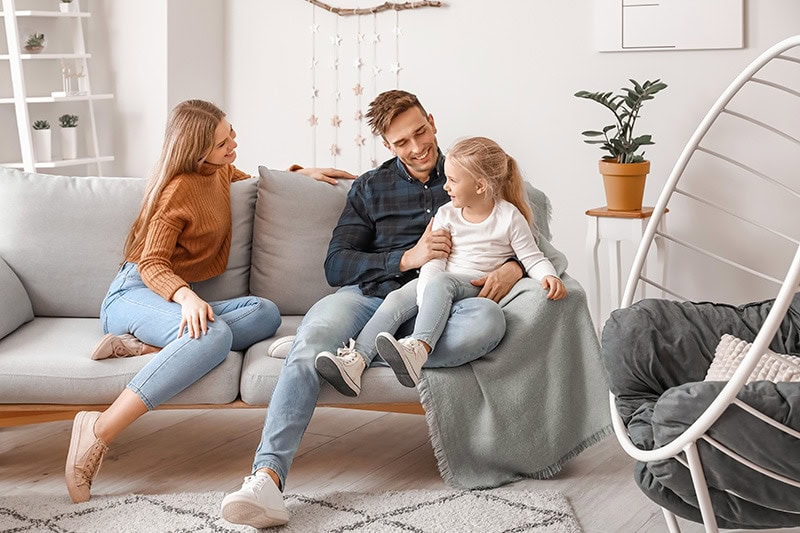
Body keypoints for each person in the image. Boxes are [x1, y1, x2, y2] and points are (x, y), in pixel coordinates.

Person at [220, 90, 525, 529]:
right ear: (387, 146)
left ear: (433, 121)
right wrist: (405, 259)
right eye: (402, 142)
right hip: (370, 296)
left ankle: (355, 353)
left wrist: (514, 267)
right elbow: (336, 264)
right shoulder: (371, 187)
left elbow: (528, 236)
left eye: (421, 132)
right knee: (311, 347)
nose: (417, 147)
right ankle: (266, 480)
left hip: (443, 304)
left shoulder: (472, 170)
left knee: (490, 321)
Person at [64, 100, 354, 504]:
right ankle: (99, 429)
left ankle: (144, 347)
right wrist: (184, 296)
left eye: (230, 132)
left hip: (162, 301)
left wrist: (298, 176)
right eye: (222, 143)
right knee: (213, 334)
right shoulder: (175, 191)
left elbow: (245, 177)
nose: (233, 144)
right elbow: (150, 263)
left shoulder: (214, 170)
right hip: (134, 293)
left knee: (264, 312)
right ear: (197, 151)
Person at [315, 136, 566, 395]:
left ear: (480, 186)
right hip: (440, 280)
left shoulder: (509, 218)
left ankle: (418, 348)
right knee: (396, 298)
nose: (445, 187)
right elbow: (435, 262)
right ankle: (356, 361)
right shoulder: (446, 214)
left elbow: (532, 257)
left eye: (453, 181)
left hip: (472, 284)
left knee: (443, 283)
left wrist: (548, 276)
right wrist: (425, 295)